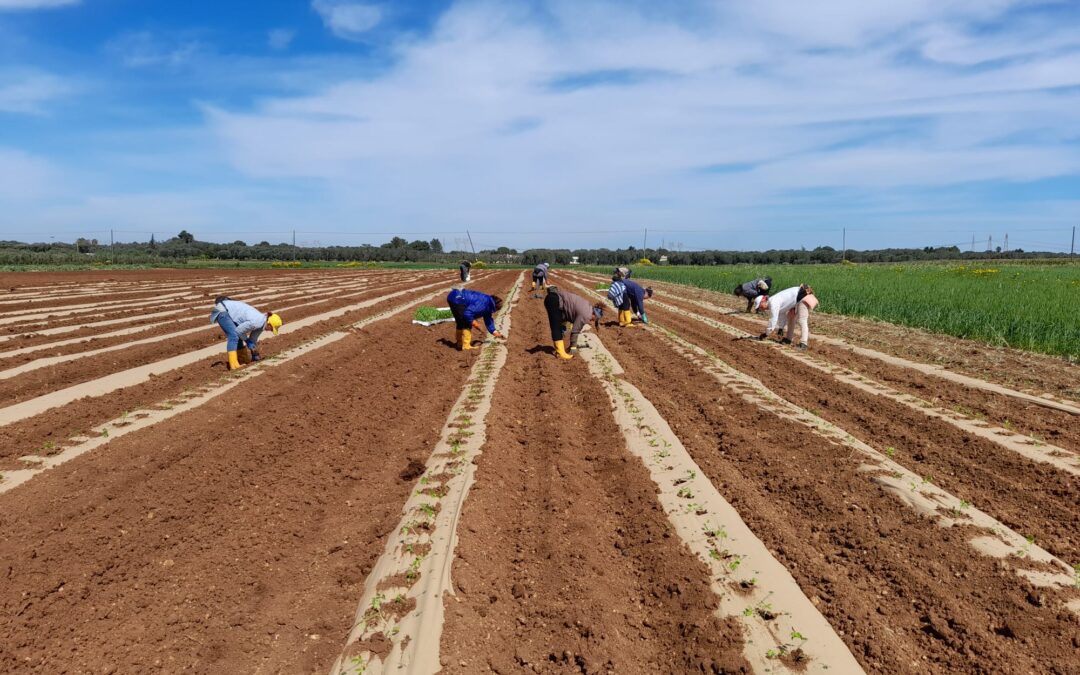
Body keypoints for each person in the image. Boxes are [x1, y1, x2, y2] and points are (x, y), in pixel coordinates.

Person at [210, 296, 283, 370]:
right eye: (271, 329)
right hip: (223, 310)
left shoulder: (261, 325)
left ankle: (242, 359)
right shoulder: (256, 322)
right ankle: (233, 365)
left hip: (228, 310)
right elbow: (238, 331)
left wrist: (254, 352)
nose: (270, 331)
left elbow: (253, 339)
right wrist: (247, 341)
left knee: (239, 337)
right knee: (234, 335)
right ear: (269, 323)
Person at [544, 285, 602, 359]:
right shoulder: (586, 315)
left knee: (561, 325)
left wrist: (597, 325)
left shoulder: (589, 307)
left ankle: (559, 348)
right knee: (556, 327)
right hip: (554, 301)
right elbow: (575, 331)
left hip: (554, 300)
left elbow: (570, 312)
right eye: (595, 318)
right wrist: (573, 348)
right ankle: (561, 353)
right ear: (594, 314)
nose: (593, 320)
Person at [758, 284, 816, 349]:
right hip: (796, 300)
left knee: (802, 320)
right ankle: (788, 339)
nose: (761, 309)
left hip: (803, 297)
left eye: (760, 306)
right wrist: (781, 328)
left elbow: (773, 318)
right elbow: (781, 313)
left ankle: (804, 344)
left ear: (763, 301)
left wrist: (766, 334)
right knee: (791, 318)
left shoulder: (773, 302)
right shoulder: (773, 302)